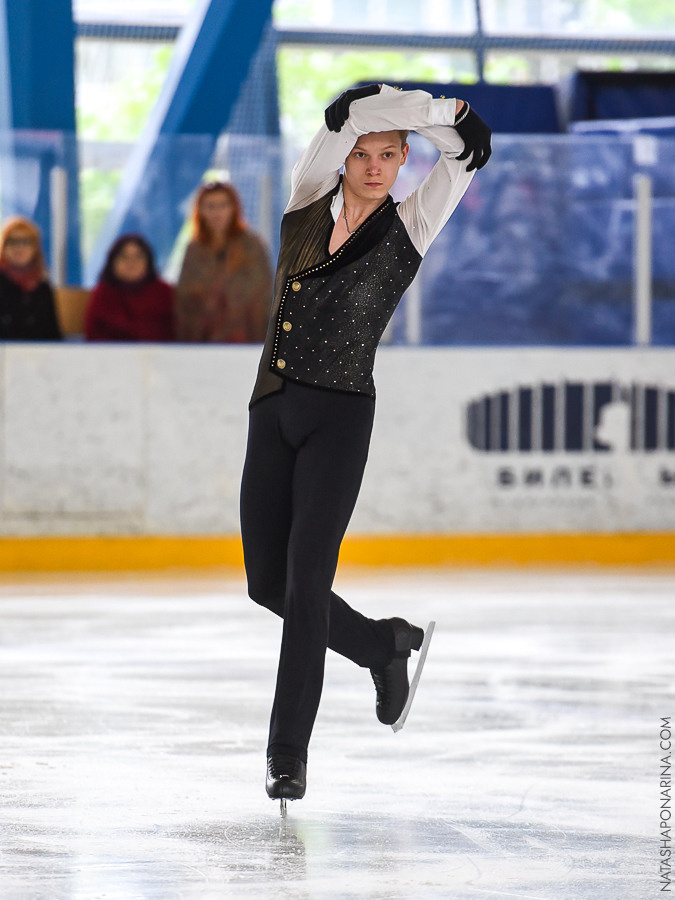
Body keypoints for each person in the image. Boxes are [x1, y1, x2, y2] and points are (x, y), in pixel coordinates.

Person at [239, 83, 491, 808]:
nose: (375, 165)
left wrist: (428, 110)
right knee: (267, 584)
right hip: (272, 408)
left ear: (403, 158)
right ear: (344, 161)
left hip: (341, 418)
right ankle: (384, 647)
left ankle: (287, 755)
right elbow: (336, 117)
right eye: (363, 154)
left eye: (388, 155)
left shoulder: (412, 223)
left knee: (307, 581)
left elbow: (471, 149)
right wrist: (373, 110)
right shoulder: (303, 205)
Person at [174, 181, 272, 343]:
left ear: (234, 208)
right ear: (201, 210)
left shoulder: (252, 246)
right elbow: (185, 298)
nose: (217, 212)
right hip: (204, 340)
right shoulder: (194, 249)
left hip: (247, 335)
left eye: (223, 205)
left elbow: (262, 294)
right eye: (211, 206)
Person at [85, 234, 175, 342]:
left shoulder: (164, 294)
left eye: (138, 257)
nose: (131, 263)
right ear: (112, 262)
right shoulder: (103, 295)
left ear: (148, 262)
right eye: (124, 257)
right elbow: (93, 337)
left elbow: (178, 335)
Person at [0, 216, 61, 341]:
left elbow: (53, 334)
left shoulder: (42, 287)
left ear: (35, 248)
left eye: (26, 242)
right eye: (12, 241)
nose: (19, 248)